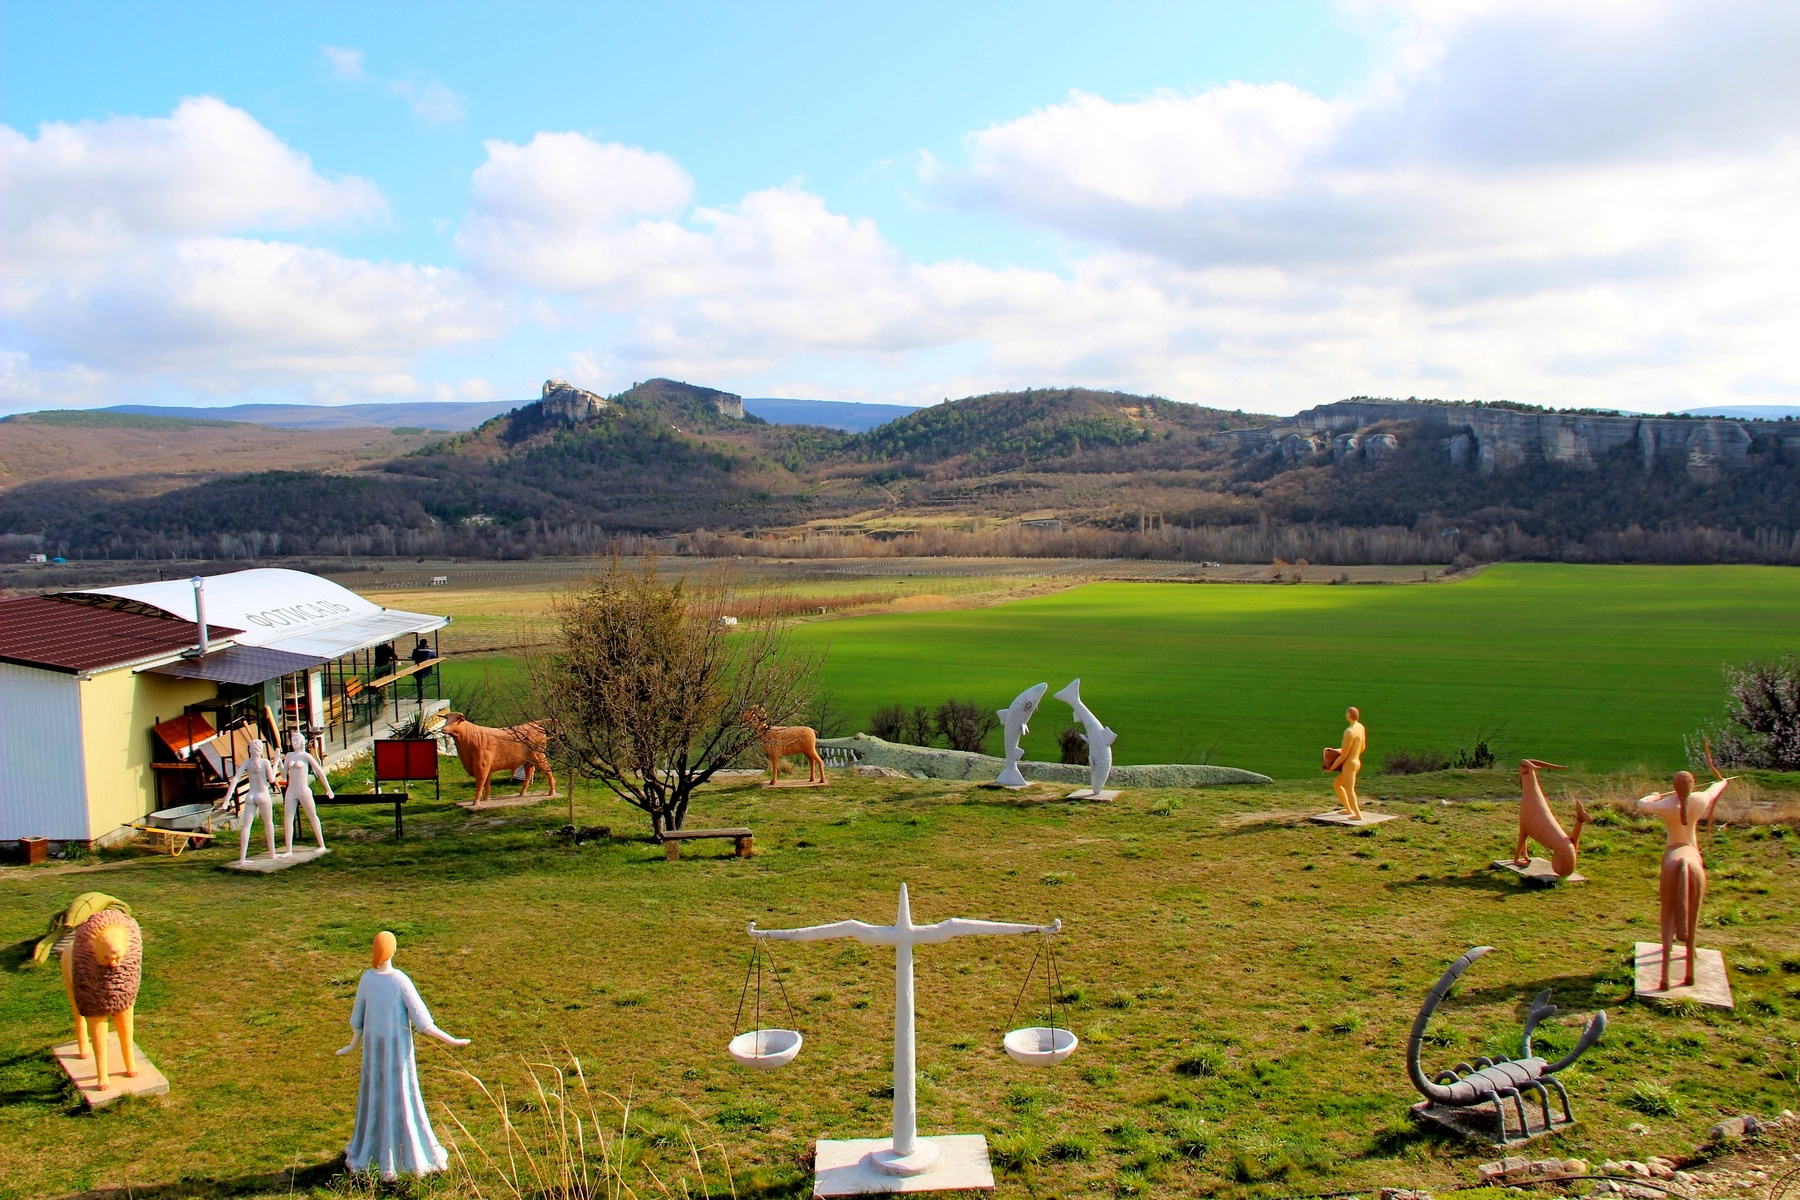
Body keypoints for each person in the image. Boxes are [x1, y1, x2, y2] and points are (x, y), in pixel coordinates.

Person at [337, 931, 469, 1179]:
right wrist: (451, 1040)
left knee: (376, 1095)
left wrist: (352, 1044)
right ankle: (403, 1154)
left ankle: (376, 1148)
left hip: (374, 1052)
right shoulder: (399, 981)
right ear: (393, 951)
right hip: (397, 1053)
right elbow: (425, 1023)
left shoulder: (367, 979)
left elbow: (358, 1022)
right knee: (401, 1095)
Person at [1634, 771, 1730, 991]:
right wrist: (1721, 781)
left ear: (1674, 787)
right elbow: (1714, 791)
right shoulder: (1698, 800)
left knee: (1667, 913)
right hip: (1691, 852)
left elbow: (1641, 804)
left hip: (1672, 852)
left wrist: (1653, 796)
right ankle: (1689, 973)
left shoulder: (1667, 804)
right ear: (1693, 785)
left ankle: (1664, 977)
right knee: (1693, 915)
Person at [227, 738, 283, 863]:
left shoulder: (247, 762)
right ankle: (272, 853)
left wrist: (226, 799)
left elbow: (235, 779)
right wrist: (277, 760)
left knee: (246, 826)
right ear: (261, 750)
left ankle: (242, 858)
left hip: (250, 796)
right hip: (263, 795)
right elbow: (272, 779)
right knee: (268, 823)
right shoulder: (265, 762)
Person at [282, 730, 334, 855]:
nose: (294, 743)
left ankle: (321, 844)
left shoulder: (306, 756)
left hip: (303, 790)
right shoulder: (289, 755)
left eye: (296, 741)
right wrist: (279, 761)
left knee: (312, 816)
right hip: (291, 790)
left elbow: (320, 772)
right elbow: (284, 774)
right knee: (288, 818)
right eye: (292, 741)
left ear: (301, 742)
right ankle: (289, 849)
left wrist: (328, 789)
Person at [1327, 707, 1366, 819]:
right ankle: (1348, 809)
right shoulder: (1360, 727)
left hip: (1349, 764)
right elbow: (1362, 747)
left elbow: (1344, 755)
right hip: (1357, 761)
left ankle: (1358, 815)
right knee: (1337, 784)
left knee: (1349, 789)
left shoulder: (1349, 731)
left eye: (1346, 713)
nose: (1345, 715)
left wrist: (1332, 767)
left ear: (1349, 715)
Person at [410, 638, 436, 704]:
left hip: (418, 669)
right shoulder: (430, 650)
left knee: (419, 683)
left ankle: (420, 698)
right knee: (422, 682)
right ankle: (420, 697)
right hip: (427, 669)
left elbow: (413, 657)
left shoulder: (416, 650)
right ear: (426, 643)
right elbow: (435, 656)